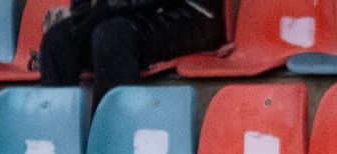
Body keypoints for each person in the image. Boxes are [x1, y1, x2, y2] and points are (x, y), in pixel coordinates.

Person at [39, 0, 225, 106]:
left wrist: (109, 6)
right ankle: (55, 145)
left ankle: (114, 144)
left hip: (190, 13)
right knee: (58, 40)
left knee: (111, 36)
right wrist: (85, 10)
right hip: (129, 13)